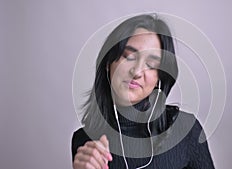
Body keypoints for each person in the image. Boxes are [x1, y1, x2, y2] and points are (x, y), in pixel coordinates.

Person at [71, 14, 215, 169]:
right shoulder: (86, 143)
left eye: (151, 64)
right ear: (109, 62)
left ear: (158, 78)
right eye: (129, 56)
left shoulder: (185, 129)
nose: (137, 71)